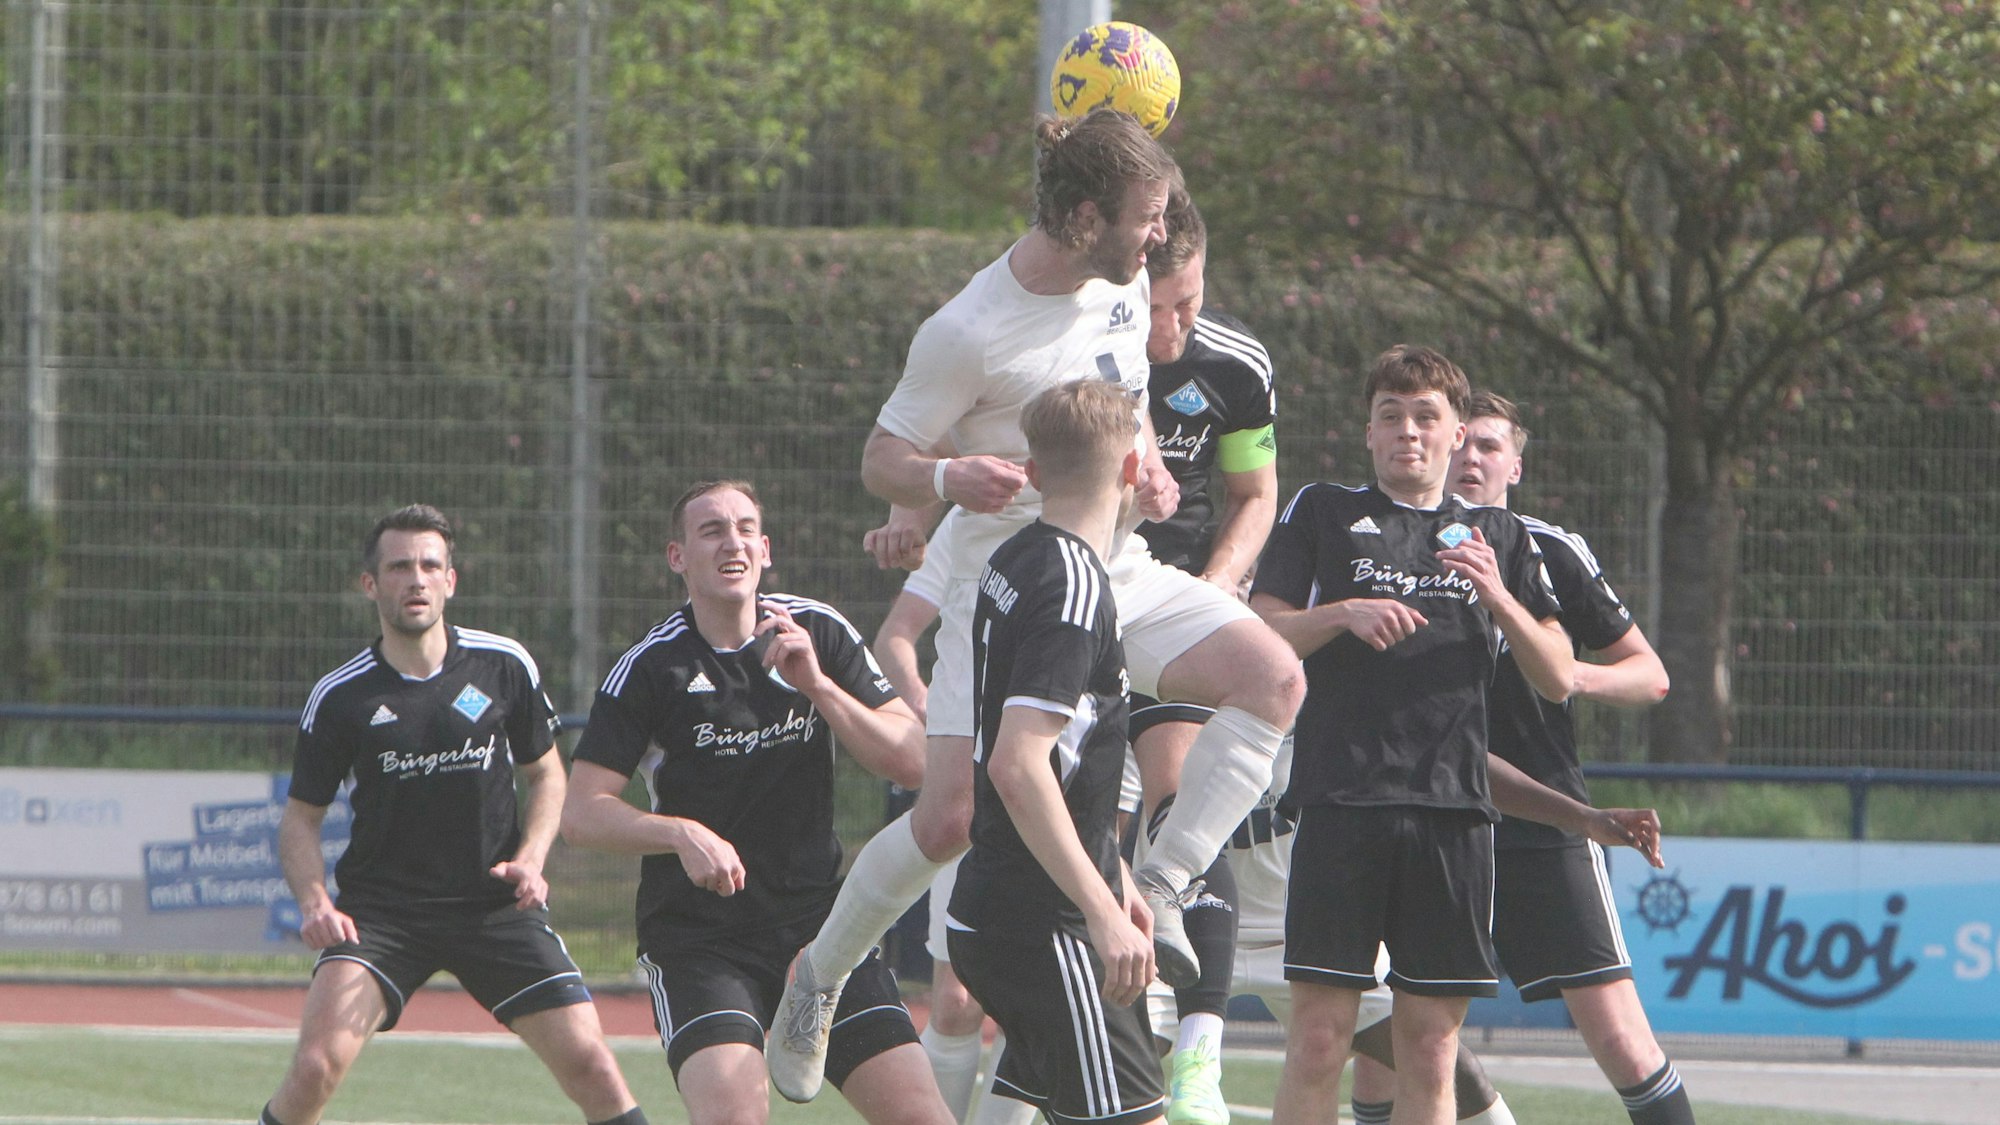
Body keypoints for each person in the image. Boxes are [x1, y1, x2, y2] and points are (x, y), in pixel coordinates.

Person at [772, 107, 1303, 1104]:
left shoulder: (1127, 276)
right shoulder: (965, 328)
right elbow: (879, 458)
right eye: (1145, 217)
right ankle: (820, 976)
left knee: (1272, 678)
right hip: (1001, 583)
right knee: (950, 819)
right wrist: (941, 480)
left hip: (1115, 563)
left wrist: (1141, 460)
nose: (1159, 236)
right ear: (1084, 213)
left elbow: (1124, 396)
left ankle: (1150, 893)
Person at [1251, 345, 1577, 1125]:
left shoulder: (1499, 532)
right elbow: (1260, 631)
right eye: (1391, 416)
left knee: (1429, 1047)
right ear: (1368, 432)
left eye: (1427, 416)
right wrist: (1341, 613)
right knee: (1320, 1039)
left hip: (1453, 814)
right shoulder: (1321, 510)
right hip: (1341, 803)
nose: (1409, 432)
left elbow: (1559, 676)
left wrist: (1497, 594)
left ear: (1457, 432)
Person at [560, 481, 953, 1125]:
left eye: (745, 528)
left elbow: (912, 760)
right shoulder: (650, 668)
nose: (732, 541)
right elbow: (582, 813)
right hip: (701, 941)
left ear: (765, 550)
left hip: (823, 935)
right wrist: (681, 833)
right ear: (677, 557)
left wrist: (819, 687)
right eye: (711, 530)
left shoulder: (816, 630)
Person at [262, 505, 647, 1125]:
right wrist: (314, 902)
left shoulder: (504, 666)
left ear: (450, 580)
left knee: (593, 1065)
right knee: (314, 1069)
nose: (415, 579)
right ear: (371, 584)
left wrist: (530, 860)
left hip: (494, 906)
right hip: (382, 917)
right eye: (399, 567)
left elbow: (547, 774)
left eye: (429, 565)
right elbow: (300, 820)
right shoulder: (341, 696)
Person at [1448, 391, 1696, 1125]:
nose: (1470, 455)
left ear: (1514, 465)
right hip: (1430, 812)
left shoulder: (1550, 548)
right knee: (1394, 1031)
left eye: (1489, 445)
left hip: (1545, 817)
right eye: (1460, 439)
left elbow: (1650, 675)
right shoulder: (1392, 541)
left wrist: (1561, 669)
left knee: (1619, 1032)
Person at [947, 378, 1163, 1125]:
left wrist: (1114, 865)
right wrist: (1100, 908)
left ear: (1033, 472)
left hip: (1011, 904)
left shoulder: (1019, 557)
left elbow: (1070, 755)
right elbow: (1019, 763)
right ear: (1134, 468)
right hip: (1047, 923)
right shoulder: (1073, 584)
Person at [1128, 193, 1278, 1125]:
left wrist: (1220, 585)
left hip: (1172, 604)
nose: (1175, 327)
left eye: (1190, 303)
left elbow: (1253, 493)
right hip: (1078, 599)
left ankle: (1200, 1057)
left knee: (1182, 795)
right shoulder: (1077, 343)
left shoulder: (1238, 365)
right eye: (1159, 308)